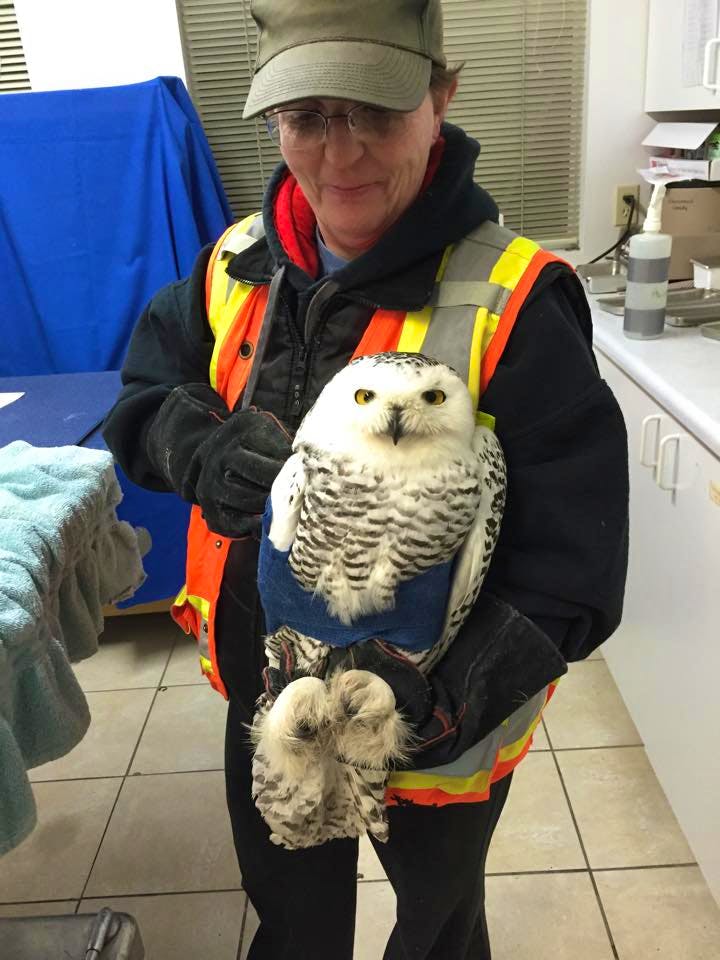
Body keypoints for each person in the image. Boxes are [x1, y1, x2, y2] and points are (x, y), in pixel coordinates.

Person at [103, 1, 629, 957]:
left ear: (441, 97)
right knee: (292, 923)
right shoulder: (234, 265)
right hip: (272, 701)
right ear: (274, 122)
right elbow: (145, 393)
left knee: (437, 928)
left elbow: (575, 570)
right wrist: (195, 446)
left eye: (376, 112)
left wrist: (433, 703)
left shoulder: (513, 304)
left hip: (437, 732)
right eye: (308, 118)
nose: (339, 154)